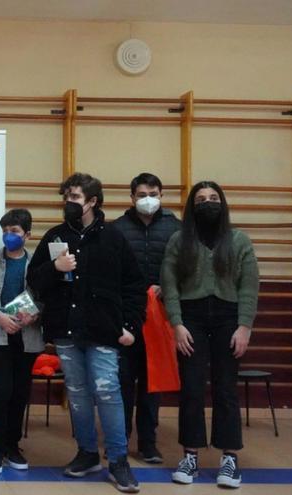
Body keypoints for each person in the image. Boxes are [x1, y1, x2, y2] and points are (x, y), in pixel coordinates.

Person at [27, 173, 145, 493]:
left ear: (93, 201)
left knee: (108, 394)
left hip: (104, 332)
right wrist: (56, 268)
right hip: (66, 332)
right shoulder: (54, 237)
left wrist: (131, 326)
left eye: (76, 197)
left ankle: (118, 460)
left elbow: (135, 286)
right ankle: (87, 453)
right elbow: (34, 280)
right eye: (67, 196)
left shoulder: (114, 237)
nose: (69, 202)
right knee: (77, 396)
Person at [161, 181, 258, 489]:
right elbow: (169, 283)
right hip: (190, 320)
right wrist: (176, 324)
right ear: (192, 206)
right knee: (191, 388)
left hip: (229, 320)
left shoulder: (239, 240)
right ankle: (190, 455)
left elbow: (249, 285)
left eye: (214, 198)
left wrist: (244, 326)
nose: (208, 203)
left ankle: (229, 459)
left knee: (226, 389)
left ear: (223, 203)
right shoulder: (179, 240)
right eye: (201, 199)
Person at [112, 172, 182, 464]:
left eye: (153, 193)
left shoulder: (176, 228)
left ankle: (148, 444)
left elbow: (185, 268)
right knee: (123, 382)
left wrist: (166, 288)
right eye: (141, 195)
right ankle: (119, 441)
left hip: (162, 316)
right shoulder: (116, 228)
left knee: (153, 381)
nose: (148, 199)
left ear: (161, 195)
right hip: (126, 315)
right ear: (132, 197)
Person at [0, 208, 43, 474]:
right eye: (5, 231)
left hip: (28, 337)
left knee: (20, 392)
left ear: (27, 235)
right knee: (2, 391)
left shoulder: (38, 265)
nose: (9, 236)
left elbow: (45, 299)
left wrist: (34, 315)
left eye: (15, 232)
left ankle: (12, 446)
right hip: (0, 336)